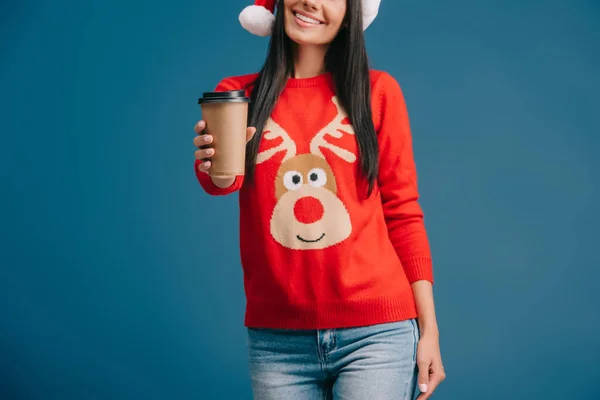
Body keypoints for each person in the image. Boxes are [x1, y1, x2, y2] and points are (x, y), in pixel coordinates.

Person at [192, 0, 445, 398]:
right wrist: (214, 162)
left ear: (351, 11)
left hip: (376, 334)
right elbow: (223, 181)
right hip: (277, 342)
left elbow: (403, 213)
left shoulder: (378, 92)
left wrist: (429, 331)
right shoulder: (236, 96)